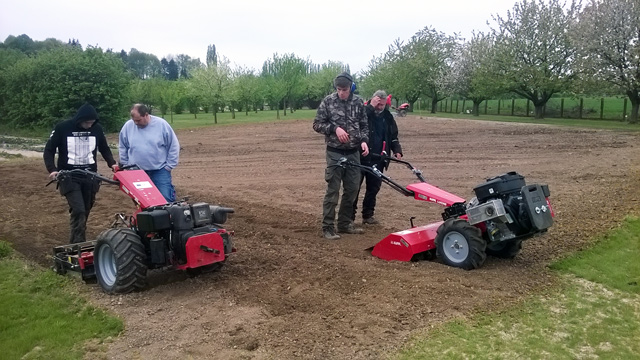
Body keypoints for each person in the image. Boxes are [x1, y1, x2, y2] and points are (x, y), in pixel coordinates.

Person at [44, 103, 118, 244]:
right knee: (79, 209)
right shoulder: (62, 128)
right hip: (69, 176)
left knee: (85, 209)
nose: (89, 126)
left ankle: (79, 235)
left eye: (92, 123)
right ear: (80, 119)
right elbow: (49, 150)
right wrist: (52, 169)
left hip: (90, 176)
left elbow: (104, 148)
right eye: (87, 123)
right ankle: (77, 244)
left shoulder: (97, 129)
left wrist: (112, 163)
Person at [313, 72, 370, 240]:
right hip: (335, 152)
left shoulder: (358, 102)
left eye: (344, 89)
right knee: (333, 190)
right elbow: (317, 124)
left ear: (350, 88)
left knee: (352, 189)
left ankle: (345, 223)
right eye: (338, 89)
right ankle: (328, 227)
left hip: (353, 153)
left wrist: (364, 141)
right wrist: (334, 128)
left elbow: (364, 125)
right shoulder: (328, 102)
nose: (341, 93)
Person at [353, 90, 403, 225]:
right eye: (378, 104)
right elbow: (357, 124)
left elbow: (393, 136)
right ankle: (349, 217)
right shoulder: (363, 112)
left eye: (382, 105)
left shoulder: (387, 117)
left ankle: (368, 215)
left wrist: (397, 150)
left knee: (373, 188)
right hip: (360, 157)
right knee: (354, 188)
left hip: (379, 158)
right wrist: (370, 107)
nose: (380, 108)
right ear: (372, 100)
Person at [118, 104, 180, 202]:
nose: (136, 123)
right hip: (136, 172)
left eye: (138, 120)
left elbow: (173, 145)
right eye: (134, 120)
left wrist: (169, 166)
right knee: (142, 201)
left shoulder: (161, 125)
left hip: (159, 170)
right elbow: (122, 146)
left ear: (146, 115)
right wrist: (125, 164)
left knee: (165, 198)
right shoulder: (128, 126)